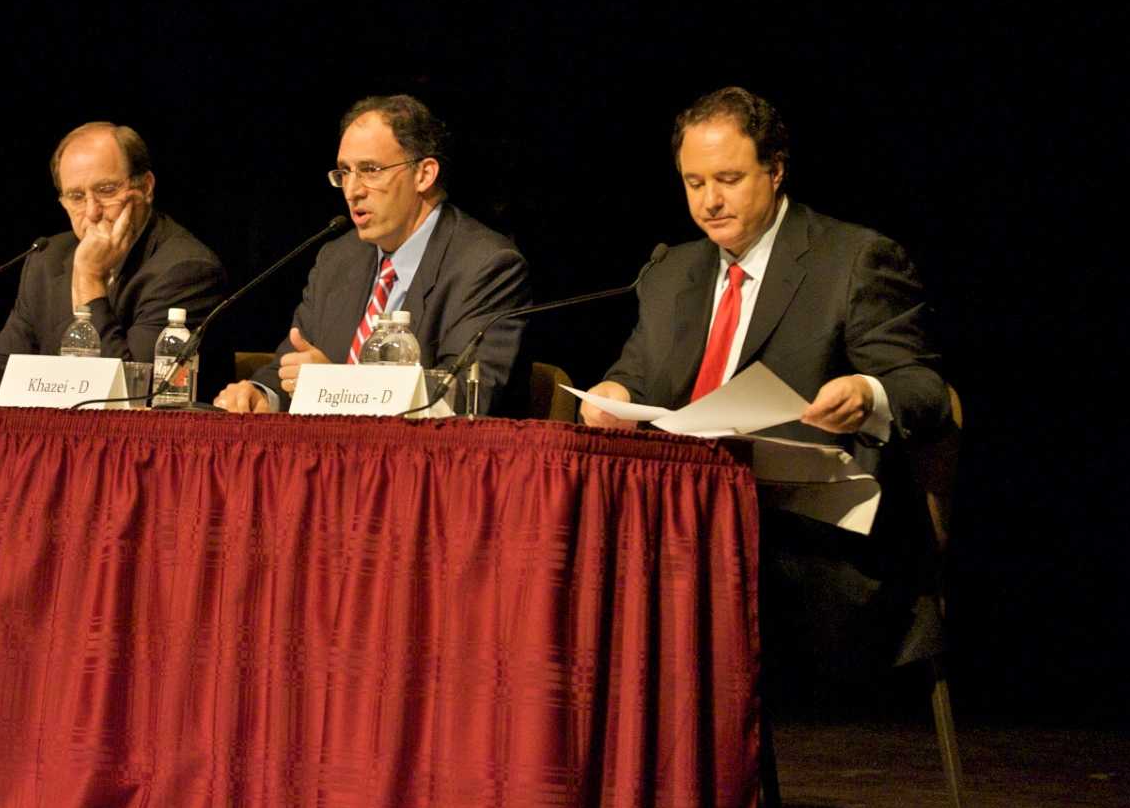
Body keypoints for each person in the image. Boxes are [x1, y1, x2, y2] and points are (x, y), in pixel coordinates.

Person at [583, 85, 949, 686]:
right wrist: (615, 396)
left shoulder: (853, 258)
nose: (709, 201)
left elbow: (924, 389)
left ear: (775, 171)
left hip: (800, 536)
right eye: (694, 183)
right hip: (682, 519)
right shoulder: (672, 270)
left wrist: (866, 393)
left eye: (727, 178)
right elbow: (636, 376)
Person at [213, 95, 531, 414]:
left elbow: (465, 397)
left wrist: (337, 387)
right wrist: (260, 394)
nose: (353, 190)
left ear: (424, 174)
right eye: (345, 172)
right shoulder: (339, 258)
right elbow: (294, 364)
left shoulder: (486, 265)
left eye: (370, 170)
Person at [0, 122, 225, 401]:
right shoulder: (47, 257)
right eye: (77, 197)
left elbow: (134, 392)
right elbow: (9, 359)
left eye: (107, 190)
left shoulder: (187, 269)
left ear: (145, 187)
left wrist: (89, 279)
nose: (92, 211)